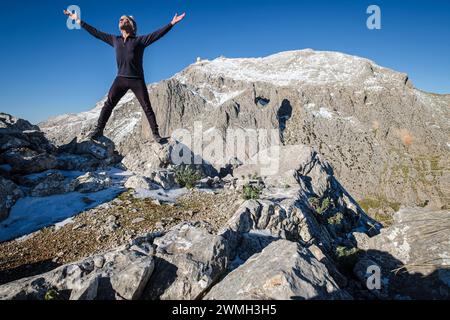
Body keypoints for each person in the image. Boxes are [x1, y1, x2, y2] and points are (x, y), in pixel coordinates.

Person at [63, 10, 186, 143]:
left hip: (137, 80)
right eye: (120, 19)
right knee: (108, 104)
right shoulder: (114, 40)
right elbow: (95, 33)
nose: (121, 20)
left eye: (125, 19)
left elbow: (157, 35)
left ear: (132, 25)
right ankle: (99, 130)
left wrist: (171, 23)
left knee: (147, 107)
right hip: (120, 79)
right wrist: (77, 19)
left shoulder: (140, 41)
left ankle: (156, 135)